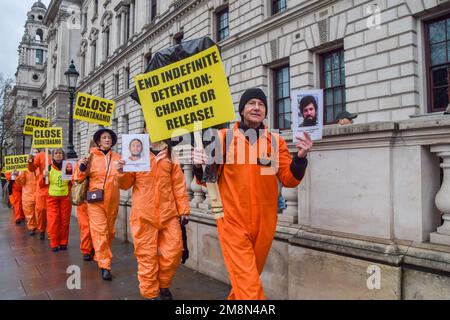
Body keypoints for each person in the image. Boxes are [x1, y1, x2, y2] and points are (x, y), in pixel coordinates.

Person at [193, 87, 312, 300]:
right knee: (249, 287)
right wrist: (199, 165)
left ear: (265, 111)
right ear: (241, 110)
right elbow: (206, 179)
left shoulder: (276, 142)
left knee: (247, 280)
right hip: (232, 221)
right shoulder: (222, 138)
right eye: (251, 103)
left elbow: (290, 179)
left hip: (265, 222)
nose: (256, 107)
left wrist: (300, 158)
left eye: (261, 104)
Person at [117, 130, 189, 300]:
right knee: (146, 255)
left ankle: (163, 284)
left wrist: (184, 209)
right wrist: (122, 171)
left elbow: (178, 184)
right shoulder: (136, 150)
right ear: (145, 130)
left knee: (174, 252)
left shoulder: (171, 153)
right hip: (143, 213)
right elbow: (125, 184)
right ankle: (150, 292)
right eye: (149, 125)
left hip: (169, 213)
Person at [74, 128, 121, 281]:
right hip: (95, 201)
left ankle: (100, 253)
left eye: (109, 137)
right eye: (104, 137)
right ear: (99, 141)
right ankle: (105, 265)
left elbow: (124, 179)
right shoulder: (91, 156)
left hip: (113, 201)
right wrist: (82, 167)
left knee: (109, 232)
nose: (107, 140)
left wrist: (124, 170)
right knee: (100, 231)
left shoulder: (118, 157)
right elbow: (78, 178)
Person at [41, 149, 72, 252]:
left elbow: (71, 182)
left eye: (60, 153)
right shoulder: (48, 168)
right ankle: (54, 243)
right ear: (53, 156)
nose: (58, 155)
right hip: (52, 198)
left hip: (65, 197)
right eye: (56, 153)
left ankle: (63, 242)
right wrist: (43, 177)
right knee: (53, 221)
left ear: (63, 155)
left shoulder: (68, 166)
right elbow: (41, 185)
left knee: (64, 220)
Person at [73, 140, 96, 262]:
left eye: (96, 146)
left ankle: (95, 248)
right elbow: (76, 177)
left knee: (97, 227)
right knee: (85, 227)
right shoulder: (82, 161)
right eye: (92, 146)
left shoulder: (102, 162)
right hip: (84, 200)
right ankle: (86, 250)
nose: (94, 149)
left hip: (97, 199)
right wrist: (83, 166)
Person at [28, 149, 52, 240]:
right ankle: (41, 229)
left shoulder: (57, 153)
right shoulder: (40, 155)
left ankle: (51, 232)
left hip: (54, 187)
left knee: (52, 212)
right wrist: (30, 161)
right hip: (42, 187)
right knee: (41, 210)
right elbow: (32, 168)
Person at [15, 155, 38, 235]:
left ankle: (40, 227)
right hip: (28, 194)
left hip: (38, 193)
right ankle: (32, 227)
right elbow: (21, 182)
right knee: (29, 212)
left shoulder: (40, 166)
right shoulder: (24, 168)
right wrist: (17, 176)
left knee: (39, 212)